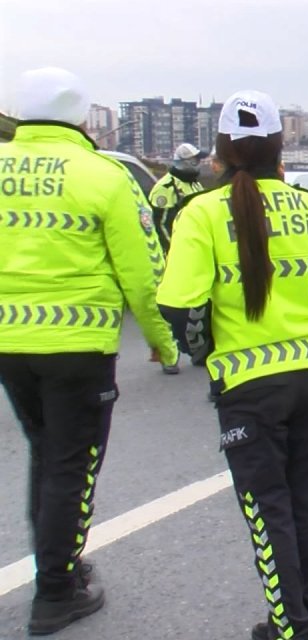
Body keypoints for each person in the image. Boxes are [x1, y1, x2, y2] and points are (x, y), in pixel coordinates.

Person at [0, 67, 180, 636]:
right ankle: (57, 591)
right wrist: (161, 341)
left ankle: (61, 564)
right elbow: (144, 272)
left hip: (9, 345)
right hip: (77, 345)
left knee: (47, 455)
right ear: (81, 117)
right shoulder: (103, 175)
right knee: (71, 465)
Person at [156, 90, 308, 640]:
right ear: (281, 146)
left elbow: (175, 303)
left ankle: (290, 626)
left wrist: (201, 345)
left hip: (249, 385)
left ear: (220, 152)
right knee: (305, 504)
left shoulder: (201, 213)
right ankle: (304, 612)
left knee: (267, 511)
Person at [149, 142, 208, 253]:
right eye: (196, 161)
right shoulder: (165, 187)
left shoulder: (195, 184)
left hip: (195, 246)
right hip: (177, 251)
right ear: (185, 163)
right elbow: (160, 225)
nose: (200, 164)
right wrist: (175, 251)